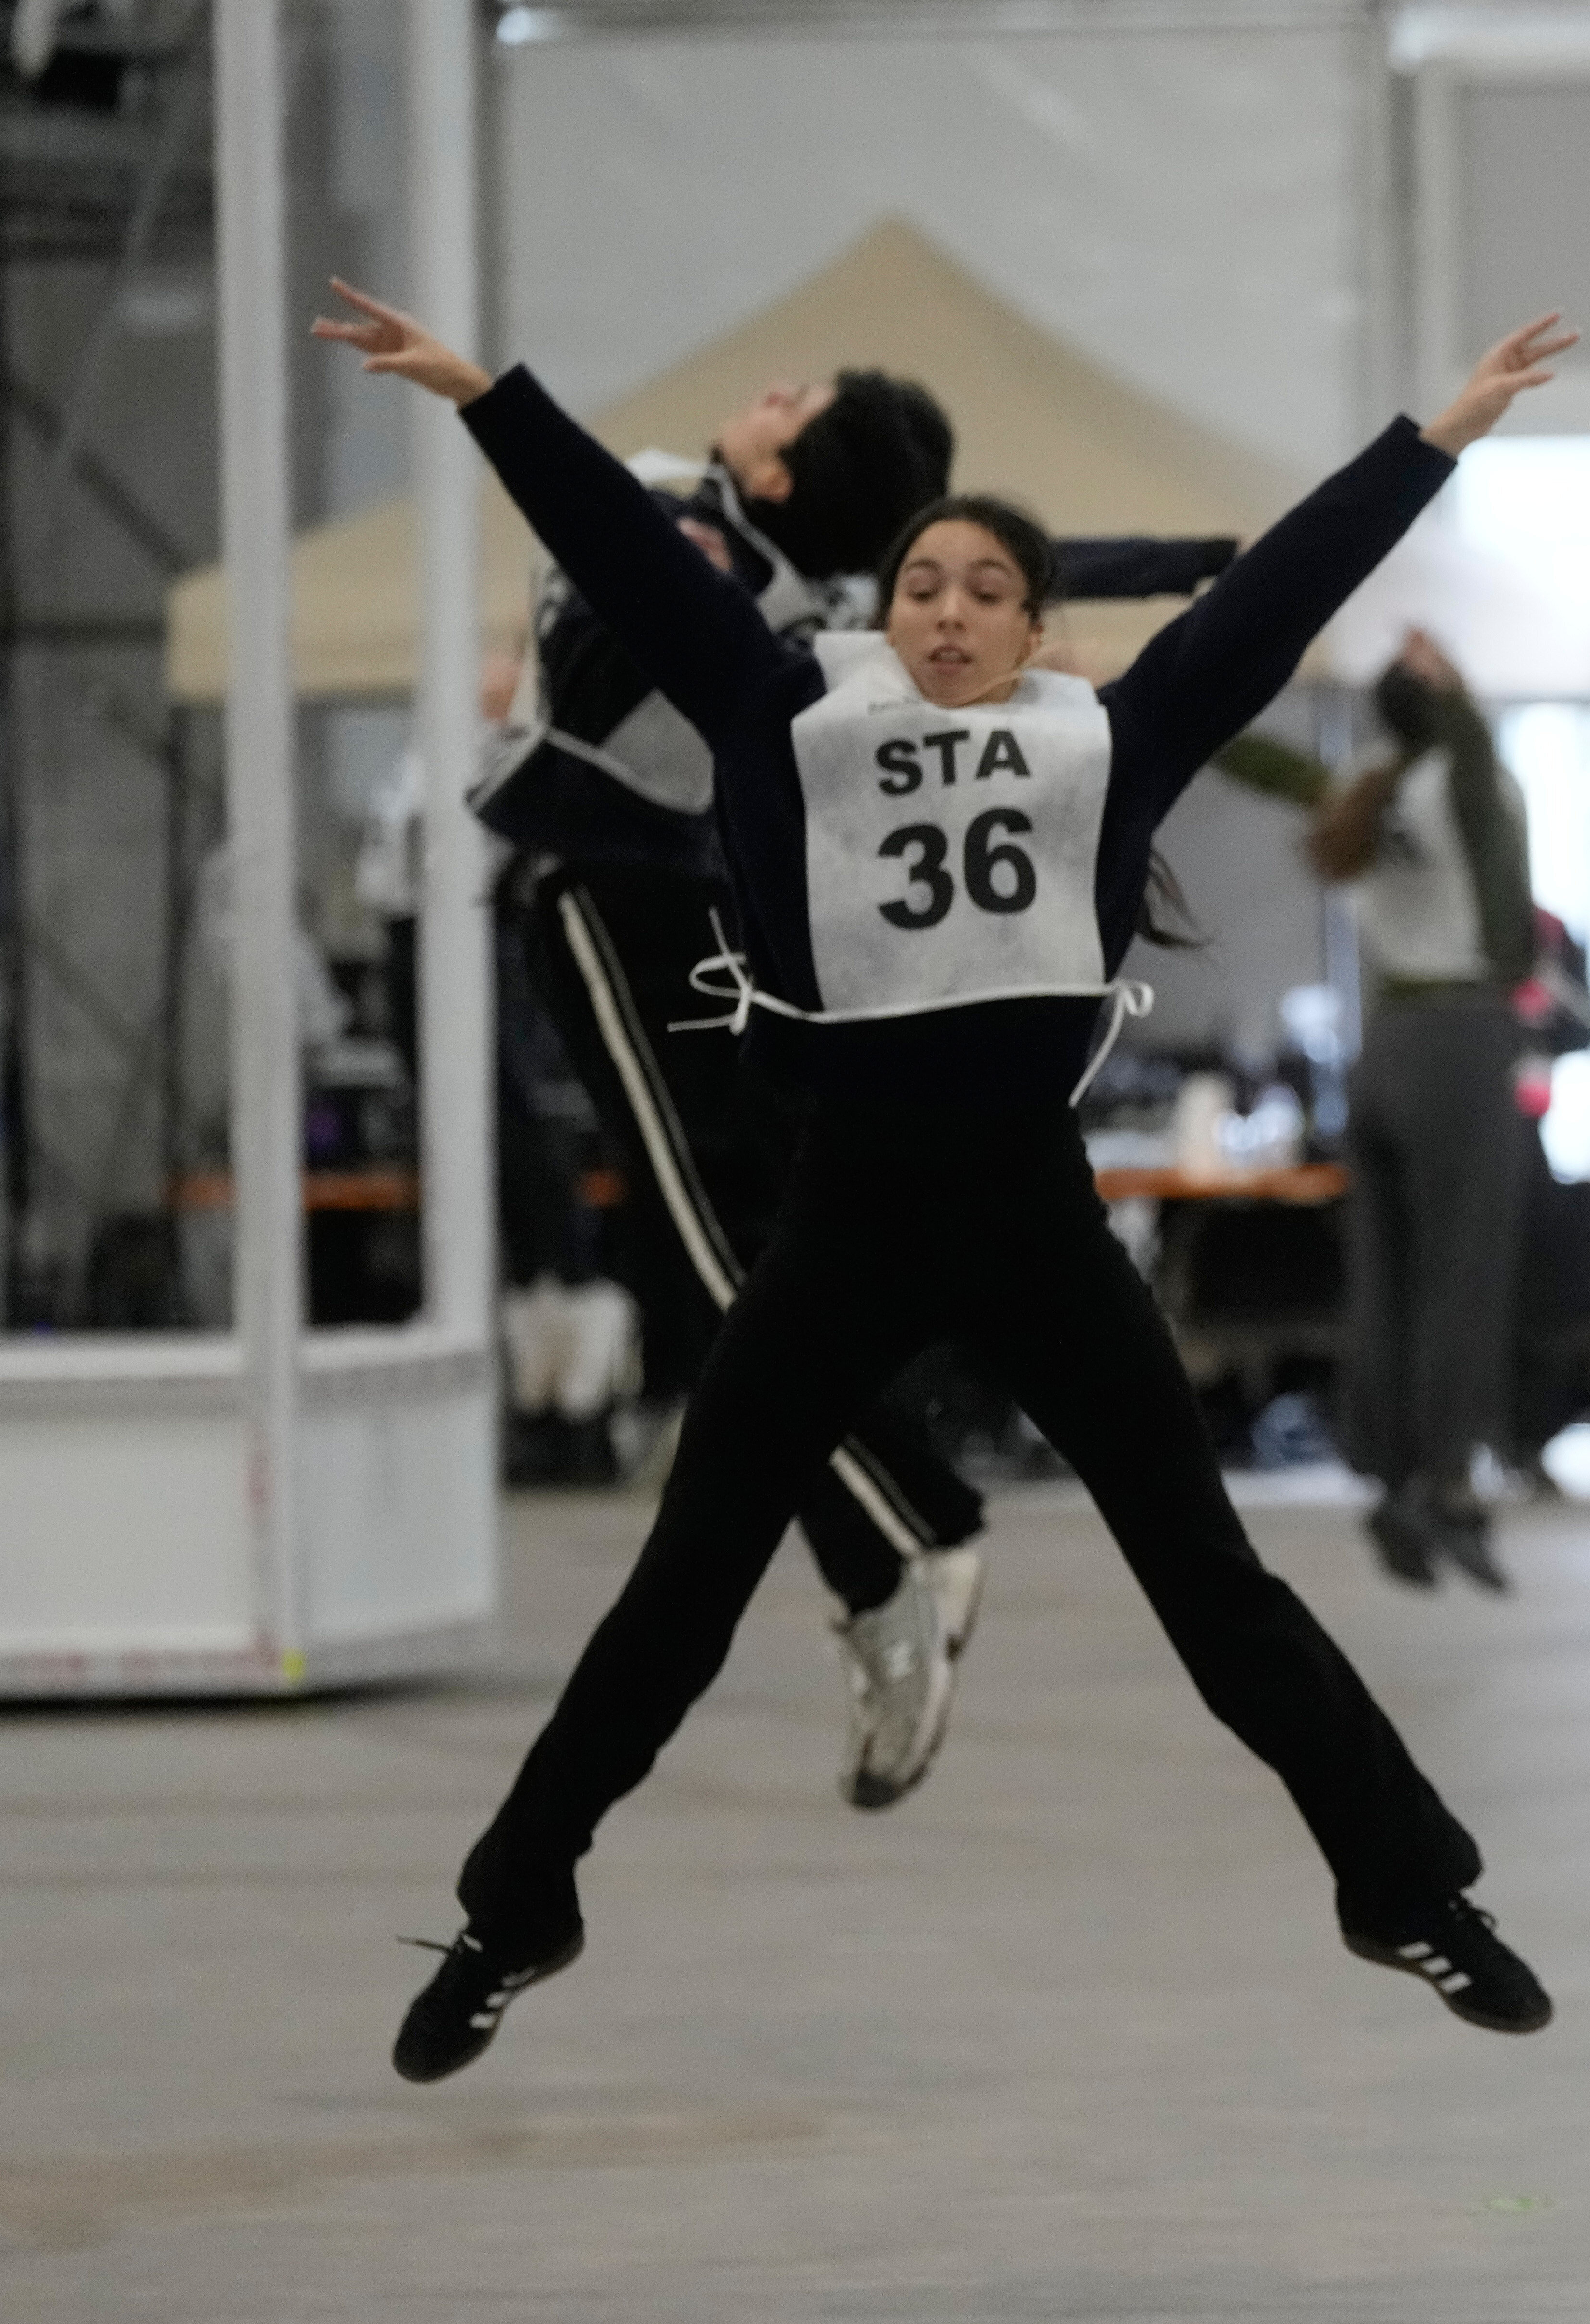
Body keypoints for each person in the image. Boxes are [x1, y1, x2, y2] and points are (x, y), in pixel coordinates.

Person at [317, 276, 1575, 2080]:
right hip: (844, 1225)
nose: (956, 611)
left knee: (1217, 1590)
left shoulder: (1108, 741)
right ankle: (517, 1909)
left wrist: (1433, 440)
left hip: (1035, 1227)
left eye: (992, 589)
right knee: (680, 1593)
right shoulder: (780, 714)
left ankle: (1410, 1894)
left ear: (1034, 624)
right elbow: (625, 542)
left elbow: (1282, 587)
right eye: (926, 586)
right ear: (886, 610)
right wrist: (479, 394)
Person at [474, 355, 1242, 1807]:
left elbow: (600, 564)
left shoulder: (696, 531)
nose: (770, 389)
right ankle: (886, 1538)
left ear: (773, 479)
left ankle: (907, 1524)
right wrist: (1197, 562)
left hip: (623, 900)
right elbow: (1040, 559)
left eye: (789, 407)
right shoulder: (834, 607)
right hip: (717, 922)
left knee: (711, 1264)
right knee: (743, 1263)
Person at [1305, 628, 1538, 1594]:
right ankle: (1449, 1480)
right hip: (1459, 1039)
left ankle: (1390, 1473)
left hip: (1384, 1045)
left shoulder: (1363, 787)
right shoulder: (1465, 779)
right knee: (1463, 1275)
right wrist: (1459, 681)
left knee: (1386, 1277)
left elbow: (1273, 768)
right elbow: (1479, 763)